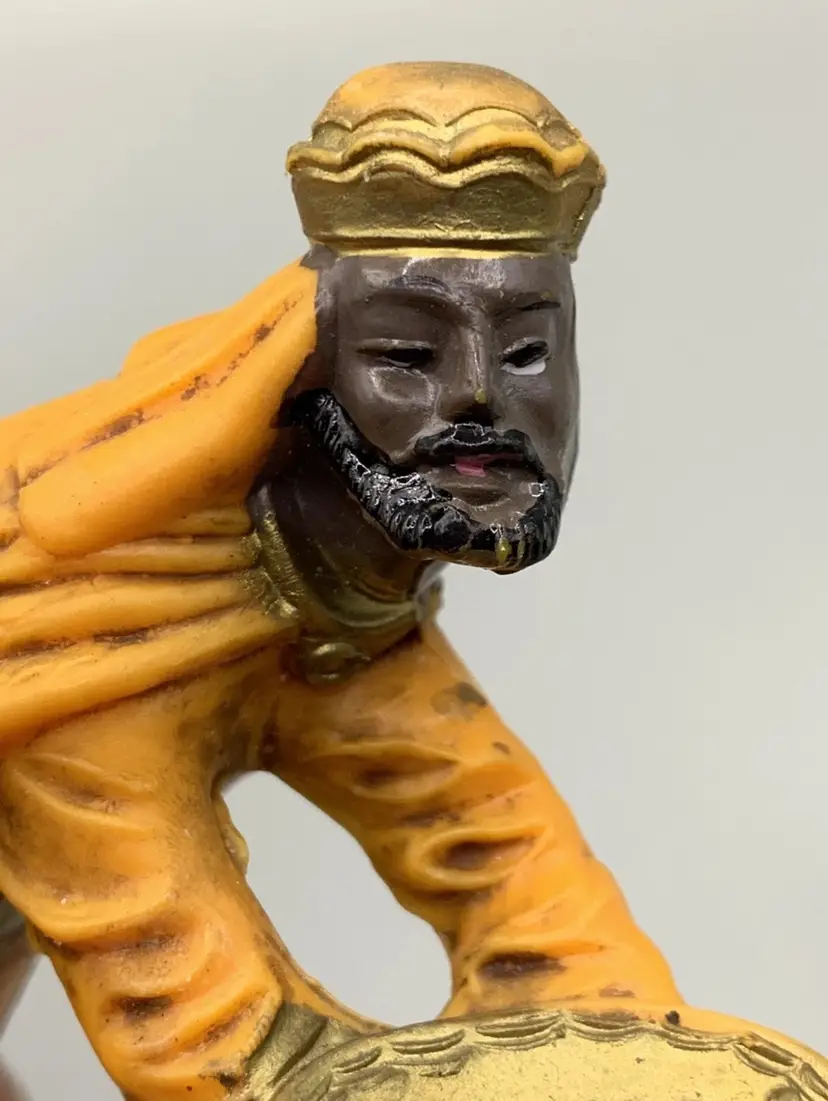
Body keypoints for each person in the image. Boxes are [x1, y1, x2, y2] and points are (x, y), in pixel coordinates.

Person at [0, 63, 682, 1100]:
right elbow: (211, 1041)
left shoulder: (343, 601)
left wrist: (641, 1054)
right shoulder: (88, 638)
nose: (477, 397)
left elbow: (526, 893)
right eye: (406, 355)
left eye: (528, 354)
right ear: (304, 372)